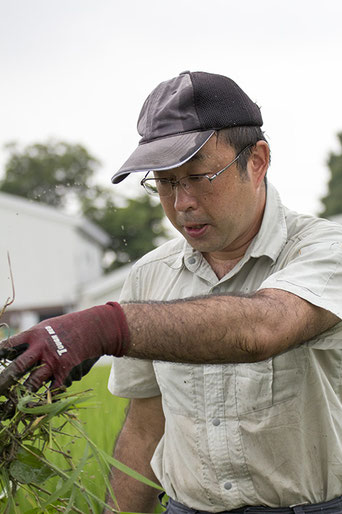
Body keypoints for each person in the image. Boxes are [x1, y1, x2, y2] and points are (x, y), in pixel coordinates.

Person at [0, 71, 342, 514]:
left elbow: (266, 327)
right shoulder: (151, 276)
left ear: (256, 162)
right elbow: (145, 429)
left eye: (200, 176)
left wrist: (104, 326)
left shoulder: (323, 251)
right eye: (165, 182)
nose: (182, 204)